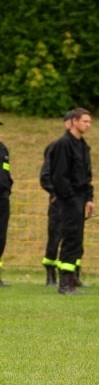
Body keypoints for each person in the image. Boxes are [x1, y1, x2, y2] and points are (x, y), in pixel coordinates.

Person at [50, 107, 94, 295]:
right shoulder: (64, 144)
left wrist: (89, 199)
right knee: (69, 239)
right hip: (69, 200)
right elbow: (60, 176)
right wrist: (71, 199)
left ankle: (71, 282)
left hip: (81, 198)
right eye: (85, 121)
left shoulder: (83, 145)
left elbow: (86, 175)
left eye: (89, 122)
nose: (88, 125)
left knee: (76, 240)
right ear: (74, 121)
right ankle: (64, 284)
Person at [40, 112, 73, 286]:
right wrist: (54, 193)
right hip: (59, 201)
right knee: (55, 236)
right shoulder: (56, 146)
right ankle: (50, 272)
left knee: (74, 237)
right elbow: (45, 174)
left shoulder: (80, 147)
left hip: (75, 201)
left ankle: (72, 274)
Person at [0, 119, 11, 287]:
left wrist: (8, 188)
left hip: (2, 197)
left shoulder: (3, 149)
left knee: (1, 236)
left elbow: (6, 173)